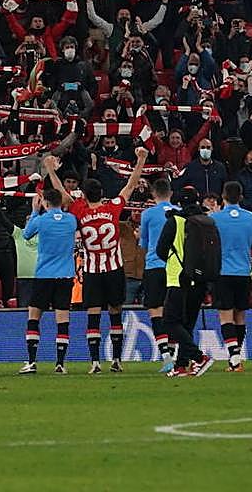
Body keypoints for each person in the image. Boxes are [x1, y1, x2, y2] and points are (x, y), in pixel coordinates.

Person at [44, 147, 148, 373]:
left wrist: (51, 170)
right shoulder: (112, 209)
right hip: (114, 270)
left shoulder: (79, 210)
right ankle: (117, 360)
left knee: (93, 315)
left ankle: (94, 362)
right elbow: (130, 186)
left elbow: (61, 193)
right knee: (115, 313)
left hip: (92, 270)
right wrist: (140, 160)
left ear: (84, 193)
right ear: (102, 194)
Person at [155, 186, 215, 377]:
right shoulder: (207, 221)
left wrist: (174, 261)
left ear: (179, 202)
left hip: (178, 277)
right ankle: (181, 366)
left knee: (170, 322)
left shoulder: (175, 221)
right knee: (187, 324)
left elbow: (160, 250)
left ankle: (199, 357)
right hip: (199, 279)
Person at [19, 186, 78, 375]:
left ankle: (31, 362)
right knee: (62, 319)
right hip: (65, 275)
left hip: (44, 275)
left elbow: (26, 234)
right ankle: (60, 364)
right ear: (61, 203)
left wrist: (35, 211)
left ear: (45, 202)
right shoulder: (71, 220)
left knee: (34, 317)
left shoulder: (41, 220)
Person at [210, 181, 252, 372]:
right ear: (241, 196)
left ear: (223, 197)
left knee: (225, 317)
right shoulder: (251, 218)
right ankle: (235, 359)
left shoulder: (215, 219)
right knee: (240, 316)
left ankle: (234, 358)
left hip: (223, 272)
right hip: (244, 272)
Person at [137, 177, 177, 372]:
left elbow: (143, 244)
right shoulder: (179, 213)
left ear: (153, 194)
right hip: (176, 267)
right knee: (175, 312)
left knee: (155, 310)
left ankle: (165, 355)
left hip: (154, 266)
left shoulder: (147, 214)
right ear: (170, 193)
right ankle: (174, 352)